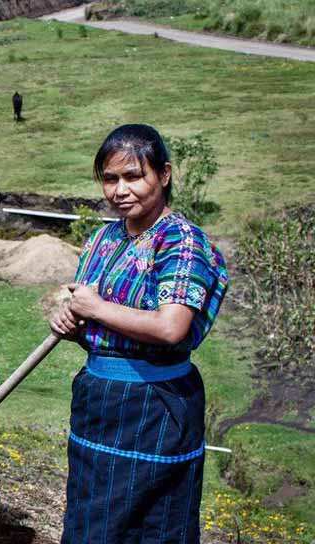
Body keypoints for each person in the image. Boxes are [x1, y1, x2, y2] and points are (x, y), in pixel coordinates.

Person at [49, 124, 228, 543]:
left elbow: (171, 326)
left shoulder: (181, 242)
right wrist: (72, 321)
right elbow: (93, 316)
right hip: (99, 402)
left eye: (133, 176)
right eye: (110, 179)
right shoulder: (103, 240)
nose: (120, 190)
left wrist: (95, 308)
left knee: (152, 525)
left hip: (154, 407)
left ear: (163, 175)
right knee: (91, 519)